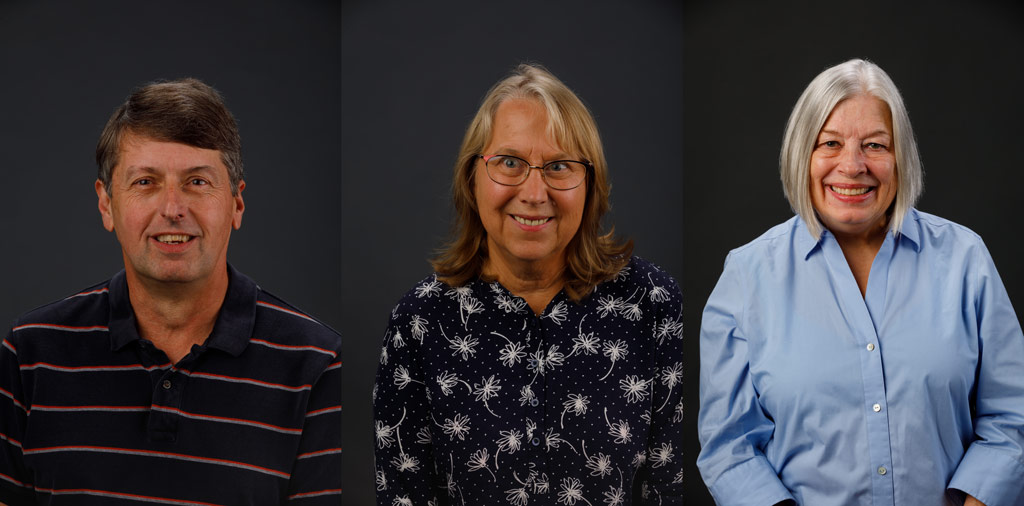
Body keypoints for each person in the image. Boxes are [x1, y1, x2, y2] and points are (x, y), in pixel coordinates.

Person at [697, 59, 1024, 506]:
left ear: (900, 157)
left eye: (875, 145)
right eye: (829, 143)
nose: (852, 166)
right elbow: (728, 449)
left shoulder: (966, 260)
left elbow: (1013, 418)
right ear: (802, 155)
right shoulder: (746, 276)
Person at [0, 79, 342, 505]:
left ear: (236, 204)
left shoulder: (318, 364)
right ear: (107, 204)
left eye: (197, 182)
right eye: (145, 182)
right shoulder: (28, 355)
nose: (172, 208)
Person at [373, 64, 683, 505]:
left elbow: (672, 488)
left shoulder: (654, 305)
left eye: (559, 166)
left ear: (590, 186)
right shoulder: (420, 322)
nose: (535, 193)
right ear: (471, 178)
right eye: (510, 163)